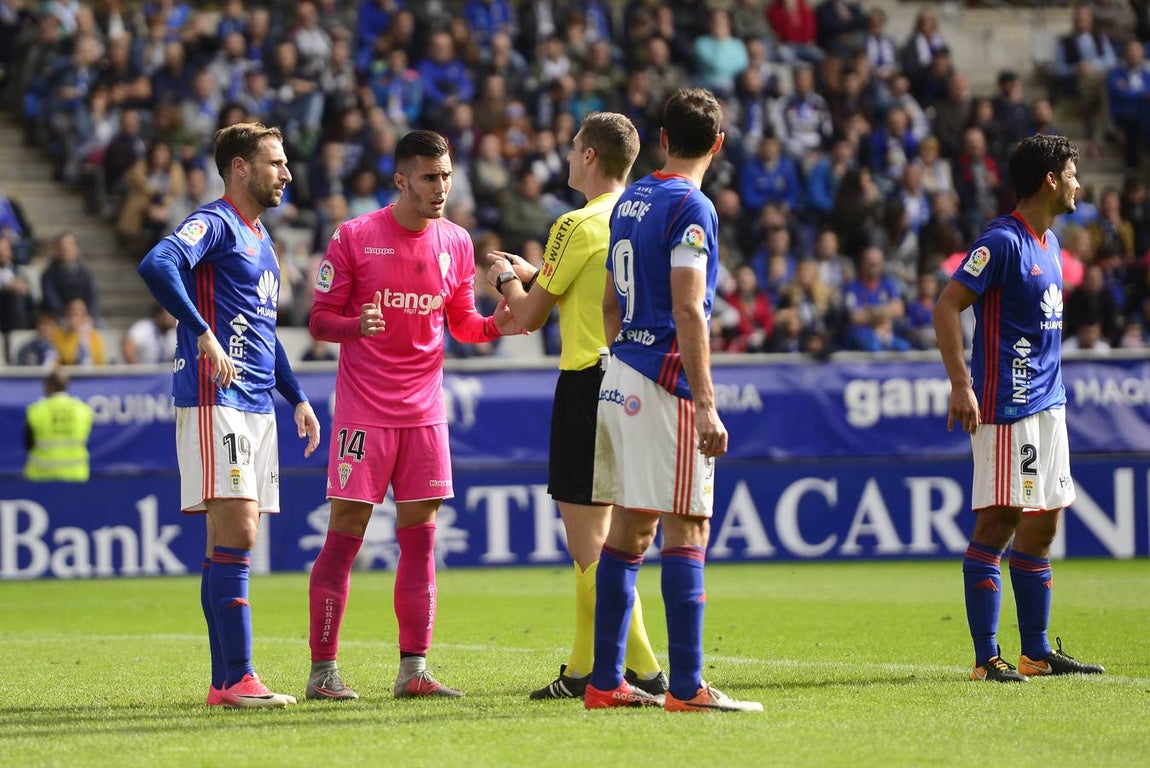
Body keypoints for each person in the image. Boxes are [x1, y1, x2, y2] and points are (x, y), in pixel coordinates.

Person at [304, 129, 523, 701]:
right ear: (401, 180)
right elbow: (321, 321)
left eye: (447, 175)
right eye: (429, 177)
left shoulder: (457, 242)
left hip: (425, 415)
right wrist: (358, 326)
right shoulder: (354, 237)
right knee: (345, 537)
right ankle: (323, 671)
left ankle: (414, 671)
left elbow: (464, 325)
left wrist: (499, 322)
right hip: (363, 415)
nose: (441, 187)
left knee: (422, 543)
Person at [585, 88, 763, 713]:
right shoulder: (693, 205)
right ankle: (687, 688)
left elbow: (609, 303)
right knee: (687, 524)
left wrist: (624, 360)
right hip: (666, 382)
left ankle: (605, 684)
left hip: (621, 372)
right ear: (717, 145)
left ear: (663, 139)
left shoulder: (631, 199)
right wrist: (706, 402)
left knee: (632, 529)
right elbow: (690, 307)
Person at [138, 122, 321, 708]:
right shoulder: (215, 222)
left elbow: (265, 333)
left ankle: (225, 684)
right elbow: (158, 263)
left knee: (230, 540)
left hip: (258, 405)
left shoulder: (262, 238)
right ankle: (239, 677)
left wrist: (297, 398)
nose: (286, 173)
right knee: (238, 532)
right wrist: (201, 334)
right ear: (239, 167)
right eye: (274, 162)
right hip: (216, 397)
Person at [484, 112, 667, 701]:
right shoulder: (643, 215)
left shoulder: (574, 222)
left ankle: (641, 669)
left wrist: (506, 279)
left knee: (590, 546)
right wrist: (535, 278)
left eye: (572, 147)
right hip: (636, 381)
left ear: (590, 156)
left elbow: (532, 315)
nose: (566, 155)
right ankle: (584, 670)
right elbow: (593, 289)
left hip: (587, 383)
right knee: (610, 540)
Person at [933, 134, 1106, 684]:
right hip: (1009, 407)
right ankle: (987, 658)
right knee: (1000, 522)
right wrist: (961, 385)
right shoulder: (1002, 241)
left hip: (1050, 406)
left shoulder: (1050, 244)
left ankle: (1035, 651)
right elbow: (946, 305)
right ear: (1050, 180)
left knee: (1042, 525)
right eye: (1074, 173)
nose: (1080, 184)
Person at [24, 368, 94, 482]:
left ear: (48, 386)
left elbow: (27, 444)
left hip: (41, 477)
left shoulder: (36, 410)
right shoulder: (83, 409)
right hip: (76, 476)